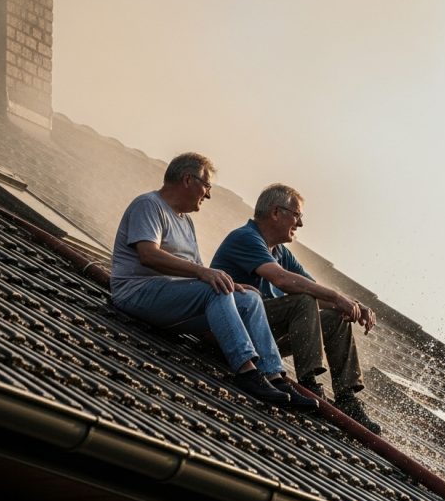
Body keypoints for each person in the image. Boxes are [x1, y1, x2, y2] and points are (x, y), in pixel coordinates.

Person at [109, 152, 318, 410]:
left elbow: (198, 269)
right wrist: (203, 274)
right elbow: (148, 255)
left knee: (250, 298)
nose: (208, 194)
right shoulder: (149, 205)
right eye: (206, 186)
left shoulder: (186, 223)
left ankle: (274, 376)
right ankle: (246, 371)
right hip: (137, 293)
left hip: (170, 299)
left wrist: (232, 285)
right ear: (188, 180)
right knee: (214, 289)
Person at [210, 184, 381, 434]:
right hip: (234, 336)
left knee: (336, 316)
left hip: (263, 338)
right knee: (303, 300)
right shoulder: (246, 238)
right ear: (276, 212)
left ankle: (347, 396)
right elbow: (282, 280)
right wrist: (337, 296)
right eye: (297, 215)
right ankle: (308, 381)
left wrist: (352, 305)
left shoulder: (280, 252)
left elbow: (314, 288)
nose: (300, 223)